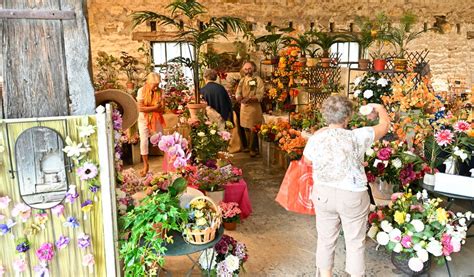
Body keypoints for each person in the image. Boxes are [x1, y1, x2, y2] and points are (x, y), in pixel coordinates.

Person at [303, 96, 390, 277]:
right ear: (347, 117)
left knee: (325, 240)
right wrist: (380, 109)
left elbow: (308, 160)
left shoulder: (316, 138)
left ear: (325, 115)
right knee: (355, 242)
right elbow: (384, 126)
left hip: (324, 194)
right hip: (352, 195)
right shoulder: (358, 135)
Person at [137, 72, 165, 176]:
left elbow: (162, 108)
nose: (156, 87)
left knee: (162, 140)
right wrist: (154, 108)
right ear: (148, 83)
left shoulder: (161, 91)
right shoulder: (141, 91)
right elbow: (140, 108)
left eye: (158, 85)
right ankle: (146, 166)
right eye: (154, 85)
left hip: (156, 119)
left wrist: (156, 108)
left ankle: (166, 164)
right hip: (143, 119)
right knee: (144, 141)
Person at [235, 61, 264, 157]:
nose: (248, 71)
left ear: (254, 68)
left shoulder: (258, 79)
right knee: (245, 128)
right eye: (246, 69)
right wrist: (238, 97)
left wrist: (251, 99)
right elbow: (238, 91)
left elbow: (260, 94)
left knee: (253, 129)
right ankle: (248, 146)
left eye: (249, 68)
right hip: (244, 108)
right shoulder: (242, 80)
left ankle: (253, 149)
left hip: (254, 108)